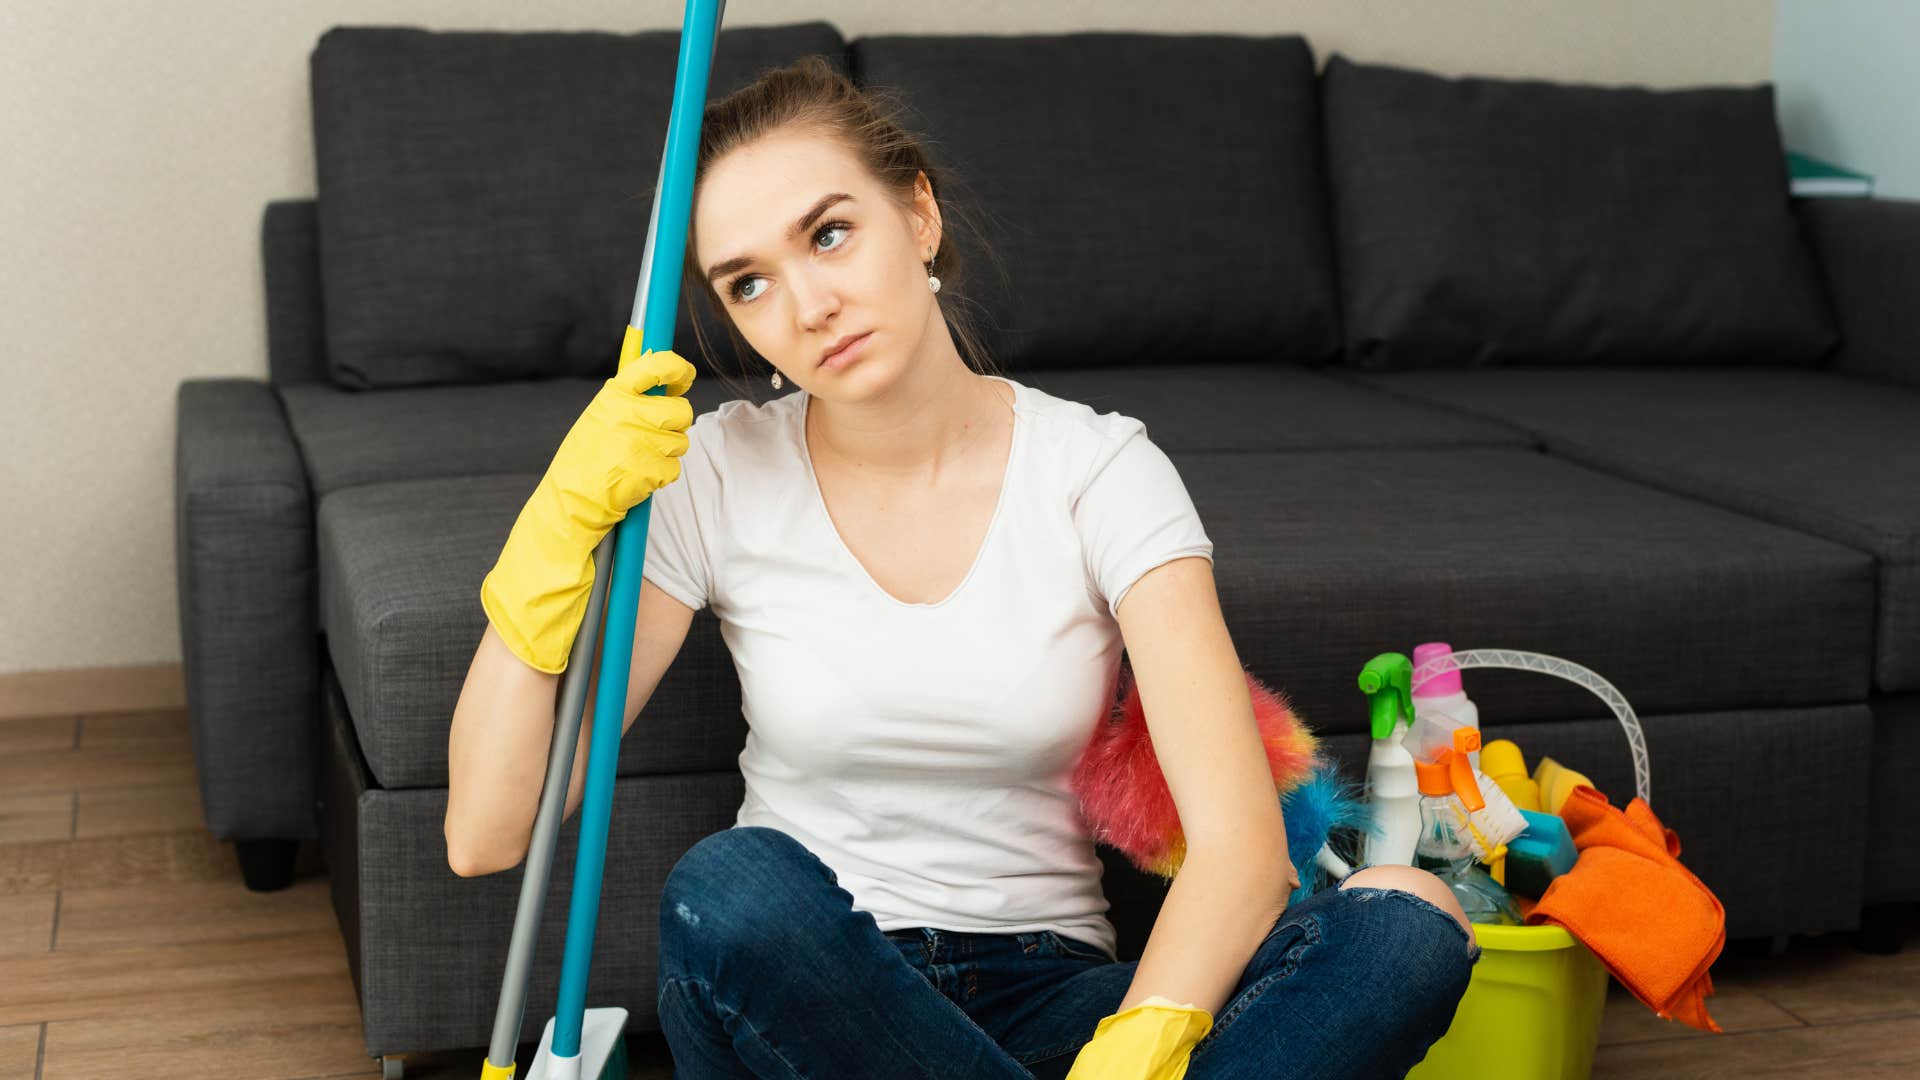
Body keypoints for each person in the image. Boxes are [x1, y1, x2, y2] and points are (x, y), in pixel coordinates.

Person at [446, 55, 1477, 1079]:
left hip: (1052, 1003)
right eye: (750, 283)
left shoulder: (1098, 471)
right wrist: (555, 527)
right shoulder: (713, 471)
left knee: (1409, 923)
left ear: (920, 216)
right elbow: (488, 832)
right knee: (733, 889)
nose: (807, 304)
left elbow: (1245, 851)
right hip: (806, 995)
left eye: (830, 233)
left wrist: (1139, 1042)